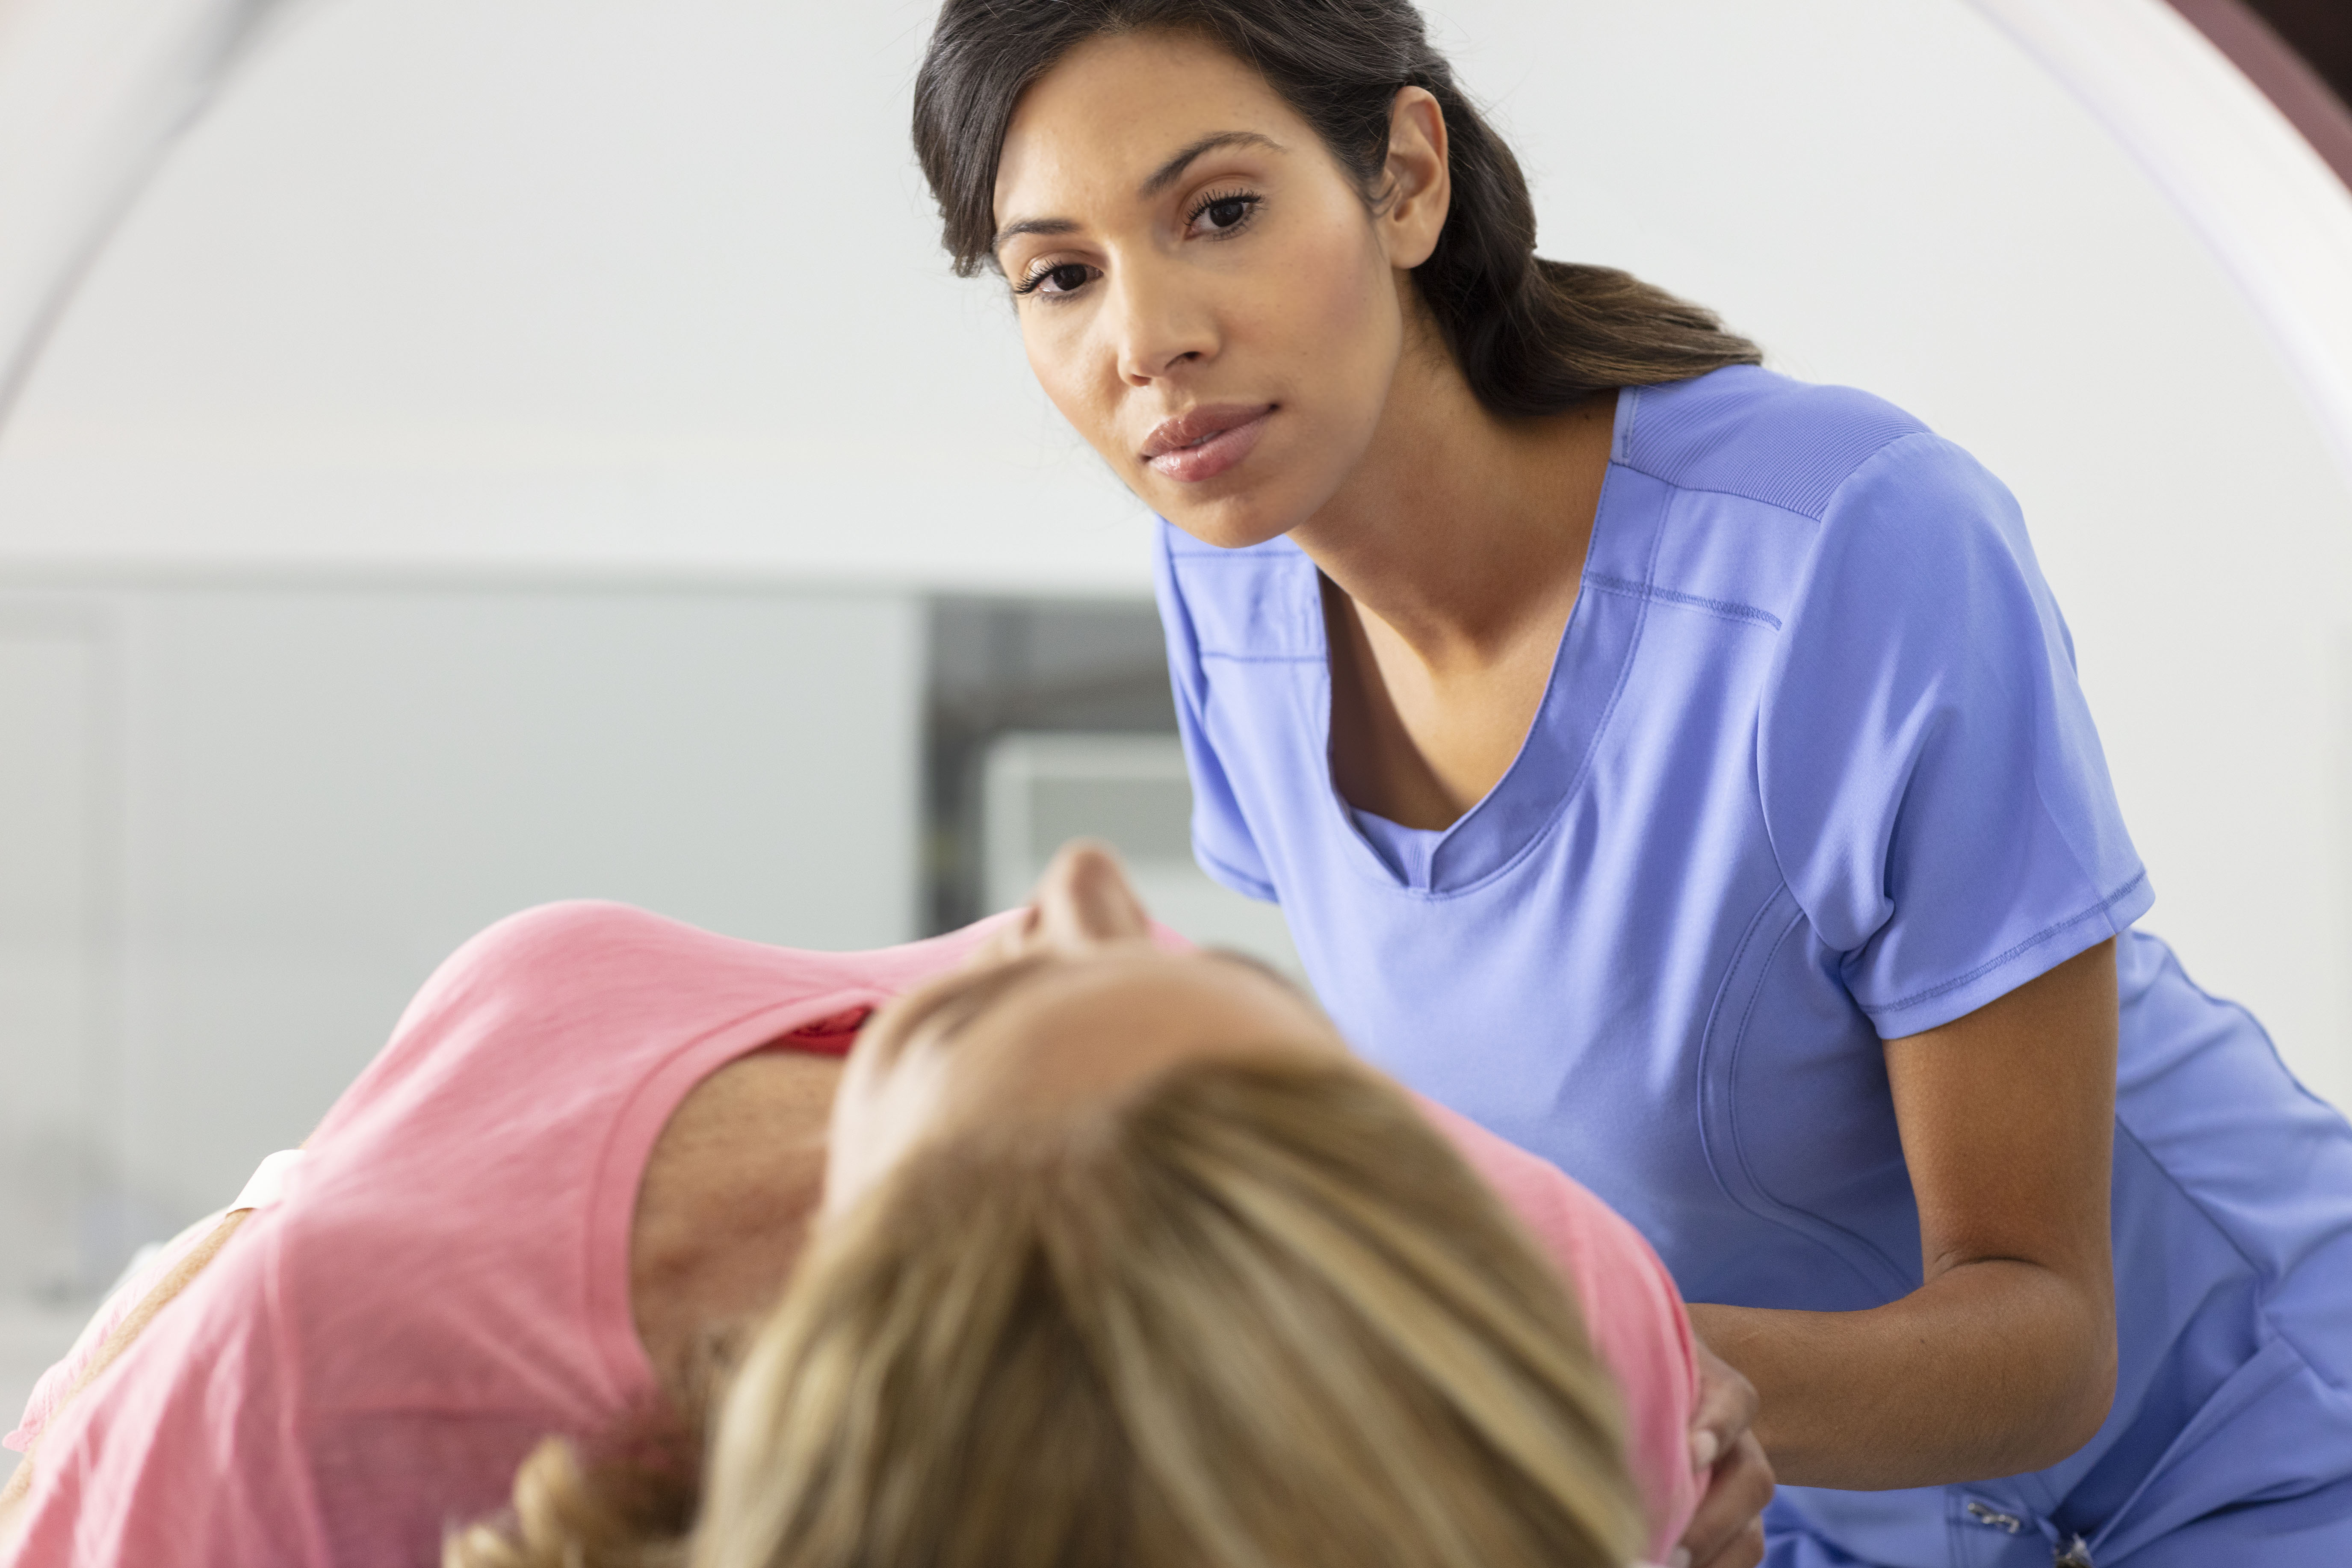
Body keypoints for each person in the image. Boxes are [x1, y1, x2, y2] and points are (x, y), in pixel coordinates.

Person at [907, 2, 2352, 1564]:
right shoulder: (1231, 597)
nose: (1146, 341)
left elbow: (2052, 1344)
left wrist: (1547, 1361)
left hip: (2258, 1441)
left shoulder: (1845, 549)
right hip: (1816, 1500)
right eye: (1059, 274)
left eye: (1222, 213)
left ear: (1402, 178)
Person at [1, 845, 1721, 1568]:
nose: (1077, 889)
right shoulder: (1568, 1309)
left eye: (998, 1003)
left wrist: (199, 1298)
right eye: (1300, 1054)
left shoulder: (328, 1384)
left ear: (890, 1300)